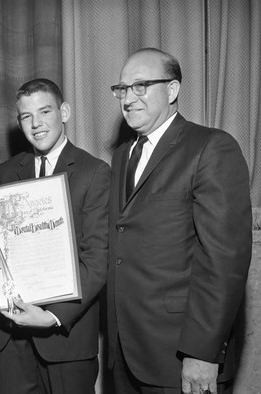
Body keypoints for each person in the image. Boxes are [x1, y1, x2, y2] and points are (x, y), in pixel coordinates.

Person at [107, 47, 252, 394]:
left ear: (172, 90)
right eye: (123, 89)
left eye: (141, 86)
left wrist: (203, 353)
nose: (128, 98)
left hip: (181, 357)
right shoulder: (122, 156)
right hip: (125, 354)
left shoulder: (211, 148)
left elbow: (224, 261)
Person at [0, 78, 111, 393]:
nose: (36, 124)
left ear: (64, 111)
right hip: (10, 340)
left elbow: (96, 260)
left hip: (65, 340)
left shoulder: (93, 172)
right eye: (26, 117)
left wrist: (51, 317)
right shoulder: (4, 172)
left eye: (44, 112)